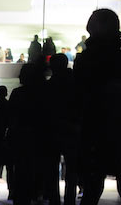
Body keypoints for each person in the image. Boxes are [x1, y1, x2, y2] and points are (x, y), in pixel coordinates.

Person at [73, 8, 121, 205]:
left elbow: (79, 94)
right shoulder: (120, 55)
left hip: (94, 127)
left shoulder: (86, 58)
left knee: (93, 188)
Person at [8, 62, 48, 205]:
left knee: (21, 171)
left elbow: (10, 117)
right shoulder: (44, 95)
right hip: (38, 139)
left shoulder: (17, 94)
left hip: (21, 139)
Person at [45, 53, 81, 205]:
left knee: (51, 169)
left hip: (54, 130)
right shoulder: (75, 83)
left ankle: (54, 199)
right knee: (72, 169)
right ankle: (69, 200)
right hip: (71, 130)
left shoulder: (50, 86)